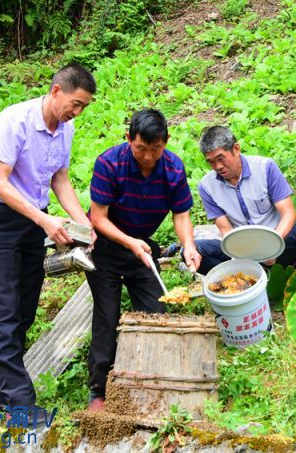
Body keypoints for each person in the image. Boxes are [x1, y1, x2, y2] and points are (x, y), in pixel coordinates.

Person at [0, 63, 96, 414]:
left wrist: (83, 225)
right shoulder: (15, 120)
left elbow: (60, 180)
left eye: (84, 107)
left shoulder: (65, 129)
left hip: (32, 224)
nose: (77, 112)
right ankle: (22, 404)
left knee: (23, 315)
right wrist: (44, 220)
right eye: (76, 103)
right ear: (56, 91)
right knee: (5, 317)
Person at [86, 109, 202, 411]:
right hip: (105, 249)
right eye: (141, 149)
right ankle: (98, 391)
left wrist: (189, 244)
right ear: (128, 139)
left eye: (156, 149)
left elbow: (182, 214)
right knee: (107, 315)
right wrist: (129, 242)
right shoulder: (109, 163)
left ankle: (150, 380)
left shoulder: (173, 168)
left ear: (166, 142)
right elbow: (97, 218)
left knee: (156, 313)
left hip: (142, 250)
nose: (148, 156)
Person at [194, 126, 296, 313]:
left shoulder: (265, 168)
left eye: (220, 159)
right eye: (211, 162)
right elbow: (225, 230)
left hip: (280, 245)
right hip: (243, 254)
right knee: (195, 249)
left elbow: (289, 213)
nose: (217, 167)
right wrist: (245, 254)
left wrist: (271, 247)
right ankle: (243, 289)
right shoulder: (207, 186)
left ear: (236, 149)